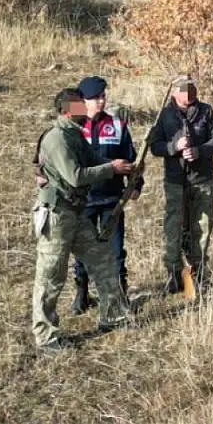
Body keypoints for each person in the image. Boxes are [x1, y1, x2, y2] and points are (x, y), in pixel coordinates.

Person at [31, 88, 133, 350]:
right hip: (57, 216)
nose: (86, 108)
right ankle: (46, 337)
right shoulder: (56, 139)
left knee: (102, 259)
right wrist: (111, 169)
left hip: (76, 213)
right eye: (79, 105)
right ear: (68, 109)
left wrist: (123, 166)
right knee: (51, 276)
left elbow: (95, 160)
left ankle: (114, 316)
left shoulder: (75, 135)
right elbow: (75, 176)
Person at [68, 76, 143, 314]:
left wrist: (135, 184)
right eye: (94, 98)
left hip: (113, 200)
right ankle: (82, 293)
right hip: (83, 201)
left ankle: (120, 295)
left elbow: (132, 158)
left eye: (103, 97)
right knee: (81, 250)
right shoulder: (74, 128)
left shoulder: (117, 124)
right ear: (82, 101)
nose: (100, 102)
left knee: (116, 249)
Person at [150, 75, 213, 293]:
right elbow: (155, 146)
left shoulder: (206, 111)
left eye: (192, 88)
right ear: (174, 92)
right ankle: (174, 275)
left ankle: (198, 273)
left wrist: (200, 151)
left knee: (202, 227)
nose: (189, 93)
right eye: (184, 90)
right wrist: (174, 147)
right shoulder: (164, 115)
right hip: (175, 181)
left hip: (203, 179)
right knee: (173, 228)